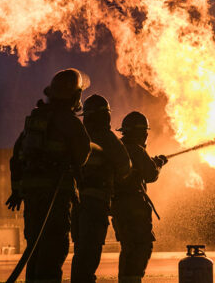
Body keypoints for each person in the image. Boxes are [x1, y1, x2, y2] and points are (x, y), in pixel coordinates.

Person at [5, 68, 91, 282]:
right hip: (56, 197)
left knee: (34, 249)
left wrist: (17, 192)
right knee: (53, 251)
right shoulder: (70, 123)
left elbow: (16, 158)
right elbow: (82, 156)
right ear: (75, 95)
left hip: (32, 199)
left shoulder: (34, 121)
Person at [71, 95, 131, 283]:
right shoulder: (107, 138)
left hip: (76, 206)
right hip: (95, 204)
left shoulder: (79, 137)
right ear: (105, 116)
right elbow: (125, 167)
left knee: (80, 252)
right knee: (90, 252)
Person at [111, 111, 168, 283]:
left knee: (128, 248)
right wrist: (158, 164)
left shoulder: (118, 148)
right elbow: (150, 174)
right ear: (141, 133)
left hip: (119, 208)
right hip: (134, 208)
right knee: (141, 246)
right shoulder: (136, 150)